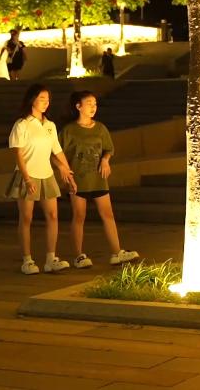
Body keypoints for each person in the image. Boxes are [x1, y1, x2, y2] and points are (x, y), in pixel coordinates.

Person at [60, 91, 139, 268]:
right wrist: (65, 171)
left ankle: (117, 252)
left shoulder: (100, 128)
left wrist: (105, 160)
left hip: (98, 178)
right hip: (78, 180)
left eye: (95, 103)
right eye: (89, 103)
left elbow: (109, 149)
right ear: (78, 106)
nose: (93, 107)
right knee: (79, 216)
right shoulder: (69, 130)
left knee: (107, 214)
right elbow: (58, 153)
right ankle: (78, 255)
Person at [6, 84, 76, 275]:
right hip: (27, 175)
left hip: (47, 175)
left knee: (53, 216)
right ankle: (27, 260)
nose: (46, 103)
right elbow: (18, 154)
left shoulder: (50, 125)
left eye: (48, 99)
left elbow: (57, 151)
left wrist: (68, 173)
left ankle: (51, 259)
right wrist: (27, 178)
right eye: (42, 99)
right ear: (32, 100)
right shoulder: (22, 124)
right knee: (26, 217)